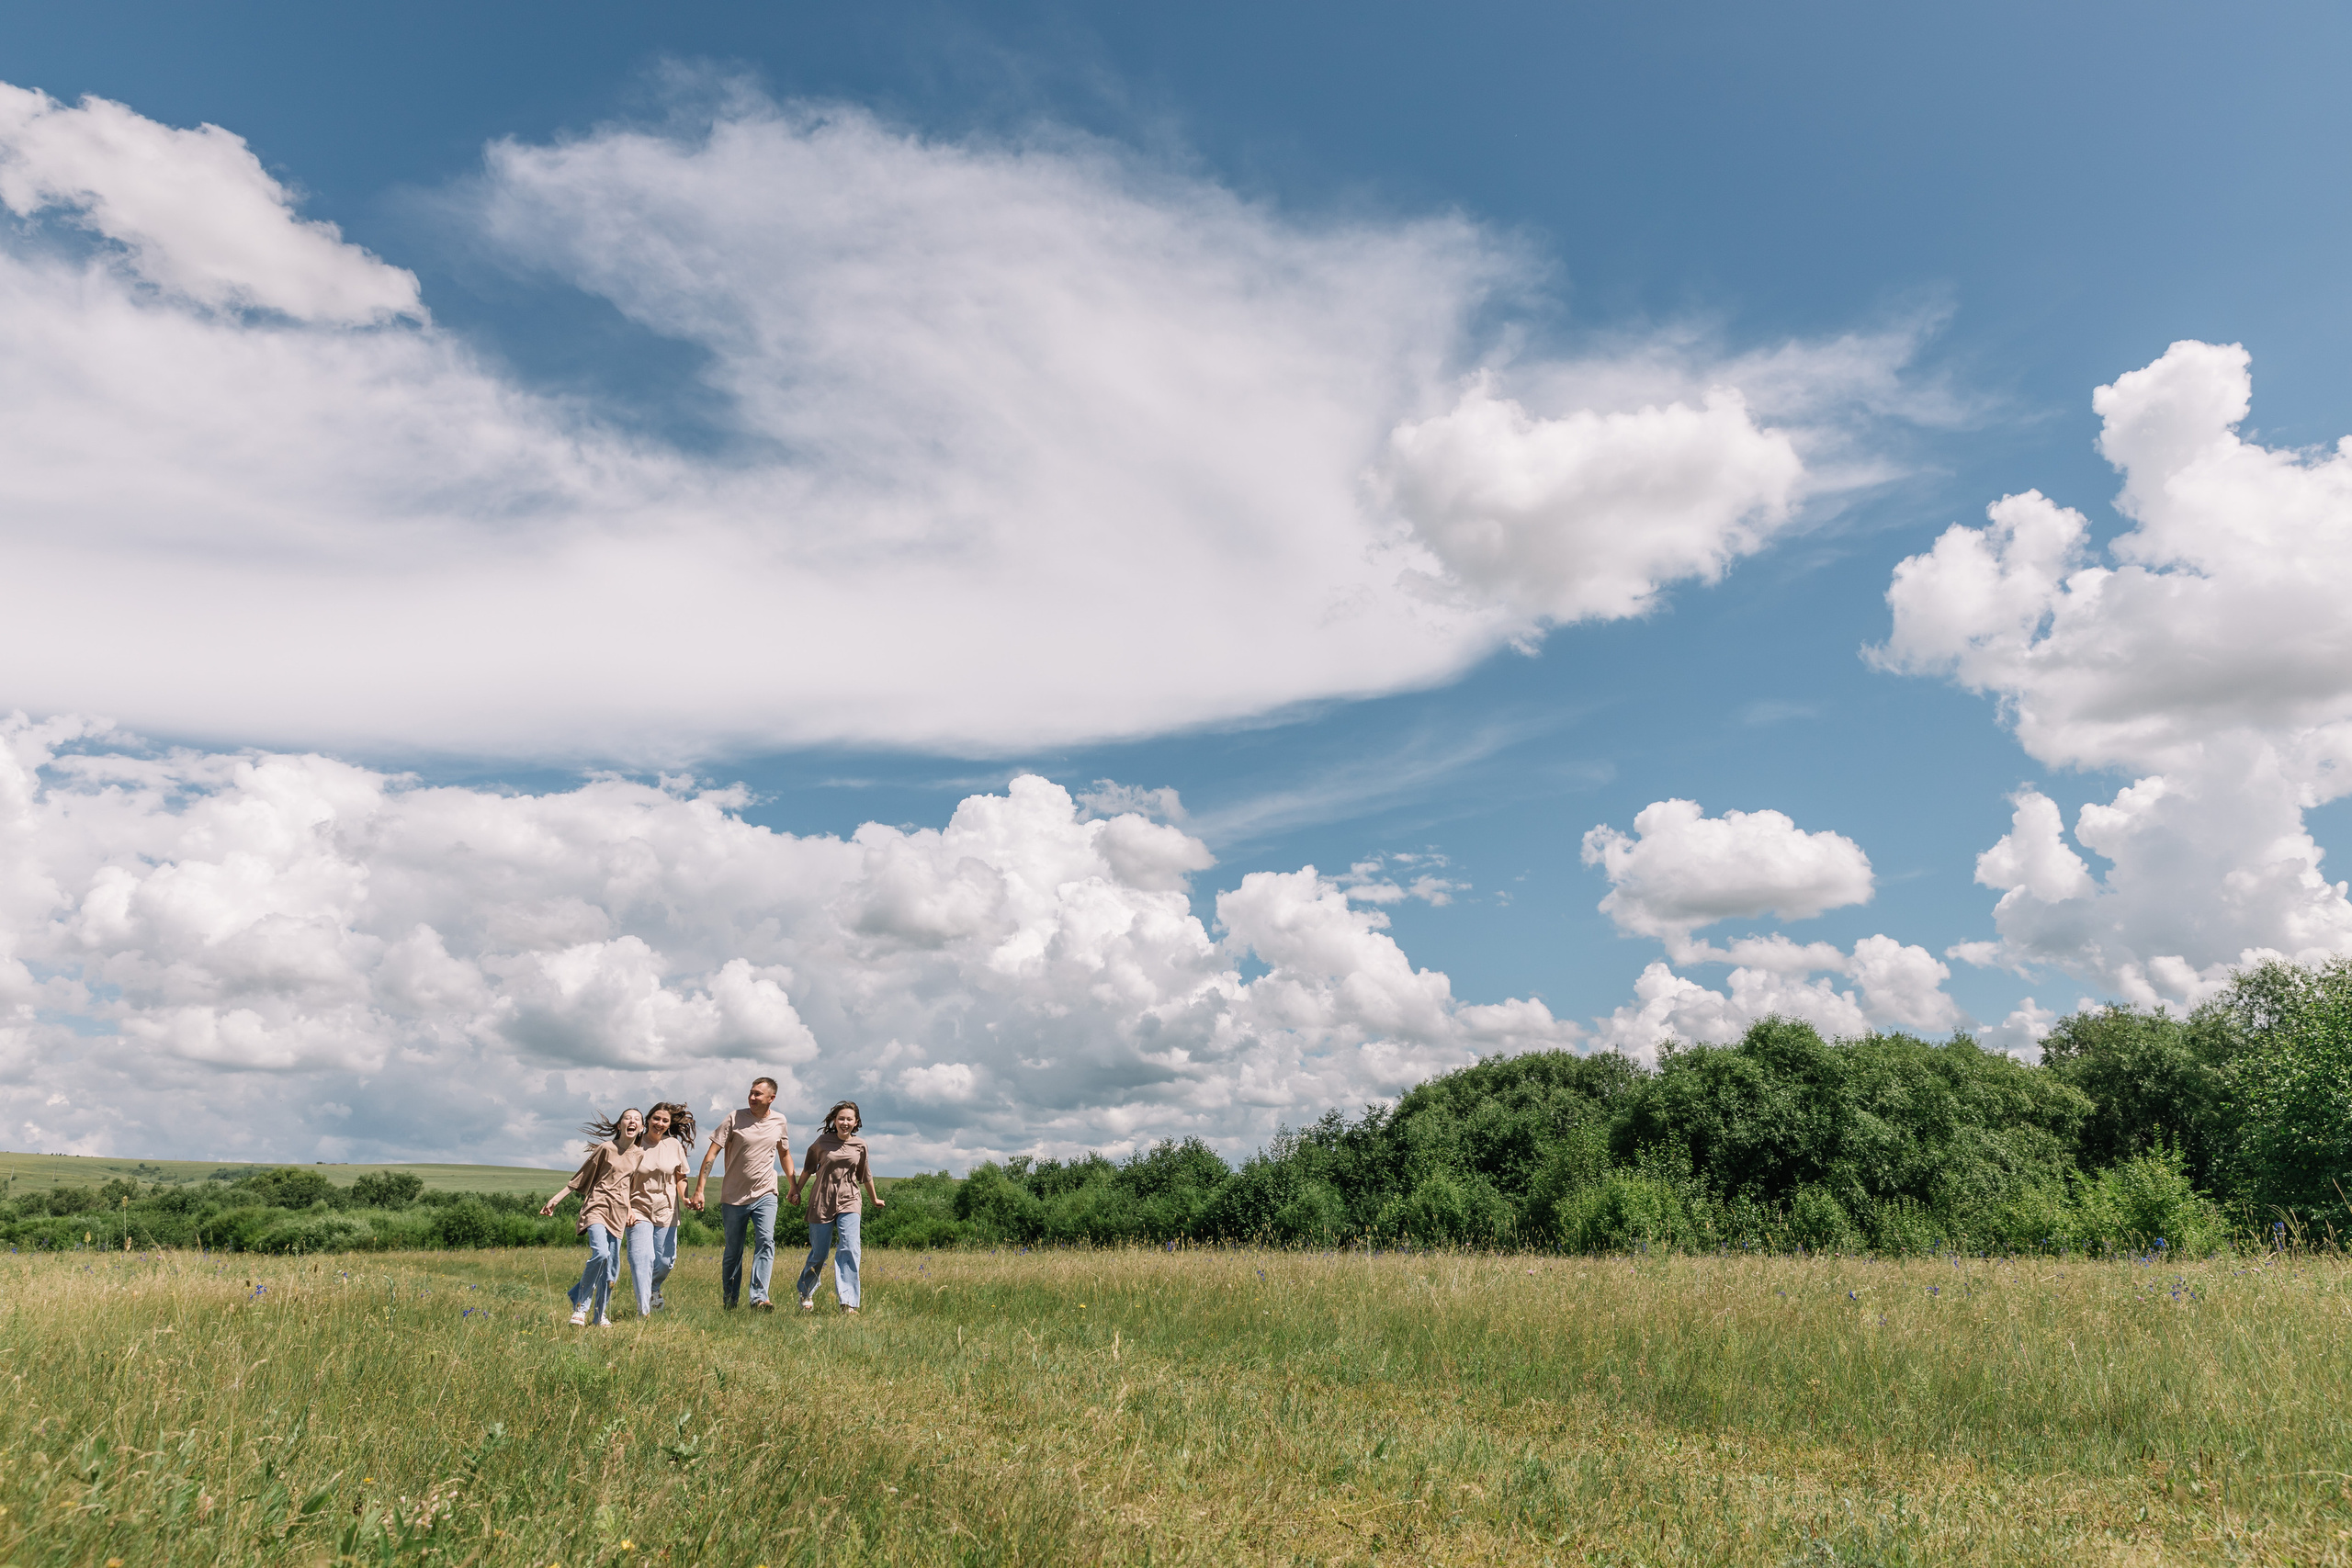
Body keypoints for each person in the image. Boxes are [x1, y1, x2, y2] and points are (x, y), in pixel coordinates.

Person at [692, 1076, 796, 1312]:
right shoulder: (734, 1118)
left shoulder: (780, 1121)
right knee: (733, 1251)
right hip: (733, 1197)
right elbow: (711, 1155)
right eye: (751, 1093)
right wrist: (699, 1189)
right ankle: (730, 1301)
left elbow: (785, 1154)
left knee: (766, 1241)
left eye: (758, 1094)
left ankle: (759, 1298)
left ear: (771, 1098)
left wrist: (793, 1185)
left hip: (766, 1192)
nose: (752, 1097)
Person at [542, 1109, 643, 1327]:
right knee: (601, 1253)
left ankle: (600, 1316)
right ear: (619, 1125)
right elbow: (581, 1175)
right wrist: (556, 1199)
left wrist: (630, 1209)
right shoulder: (606, 1148)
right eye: (628, 1118)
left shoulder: (639, 1154)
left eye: (637, 1119)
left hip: (618, 1212)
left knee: (611, 1268)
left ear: (641, 1128)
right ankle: (580, 1308)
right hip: (597, 1206)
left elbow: (627, 1185)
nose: (632, 1121)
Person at [787, 1100, 884, 1315]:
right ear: (834, 1120)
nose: (845, 1122)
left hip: (850, 1199)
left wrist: (874, 1199)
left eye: (850, 1119)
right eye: (841, 1118)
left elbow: (866, 1175)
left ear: (856, 1122)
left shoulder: (860, 1145)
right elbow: (808, 1169)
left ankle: (848, 1303)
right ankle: (806, 1291)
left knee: (850, 1248)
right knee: (819, 1253)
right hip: (822, 1199)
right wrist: (797, 1190)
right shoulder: (822, 1142)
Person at [628, 1101, 695, 1314]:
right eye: (656, 1119)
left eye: (665, 1120)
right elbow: (621, 1180)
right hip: (638, 1208)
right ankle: (643, 1311)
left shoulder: (674, 1145)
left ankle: (653, 1288)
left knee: (666, 1261)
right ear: (647, 1120)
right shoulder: (634, 1146)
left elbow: (680, 1176)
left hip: (667, 1209)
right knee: (643, 1258)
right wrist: (626, 1209)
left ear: (669, 1124)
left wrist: (685, 1198)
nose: (660, 1123)